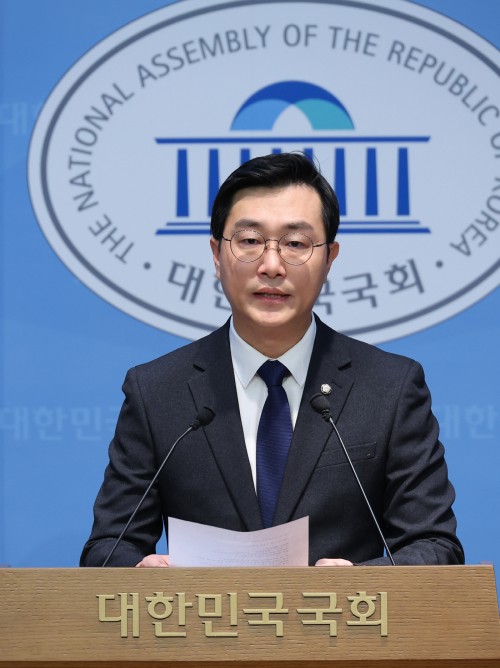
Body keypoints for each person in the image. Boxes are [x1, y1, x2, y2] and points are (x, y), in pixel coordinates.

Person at [80, 152, 464, 568]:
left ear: (330, 258)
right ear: (216, 254)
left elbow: (435, 545)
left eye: (296, 244)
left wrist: (360, 584)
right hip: (202, 612)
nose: (271, 266)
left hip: (341, 612)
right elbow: (108, 547)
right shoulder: (157, 391)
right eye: (249, 241)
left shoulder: (389, 387)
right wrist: (140, 573)